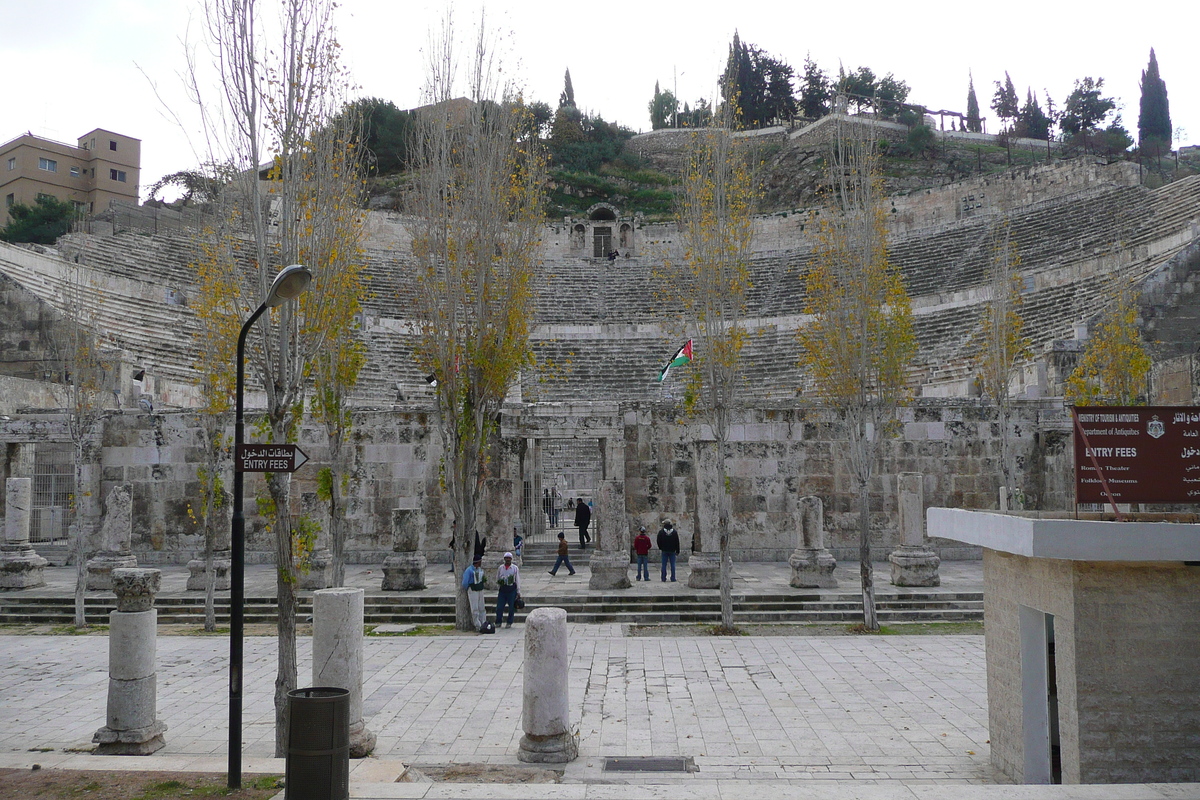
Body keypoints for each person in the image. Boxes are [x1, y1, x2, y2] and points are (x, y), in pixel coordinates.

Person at [495, 552, 521, 629]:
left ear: (511, 559)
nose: (508, 560)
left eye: (509, 558)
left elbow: (517, 579)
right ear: (504, 559)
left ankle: (509, 622)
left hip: (511, 590)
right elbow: (498, 577)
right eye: (506, 558)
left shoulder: (515, 568)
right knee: (499, 607)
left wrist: (518, 591)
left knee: (511, 607)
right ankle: (498, 621)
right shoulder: (500, 568)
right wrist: (499, 586)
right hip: (503, 590)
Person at [462, 556, 487, 631]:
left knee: (481, 607)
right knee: (475, 608)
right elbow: (465, 582)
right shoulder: (469, 570)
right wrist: (470, 588)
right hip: (473, 590)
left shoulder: (479, 569)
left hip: (479, 589)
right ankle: (477, 624)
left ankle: (483, 623)